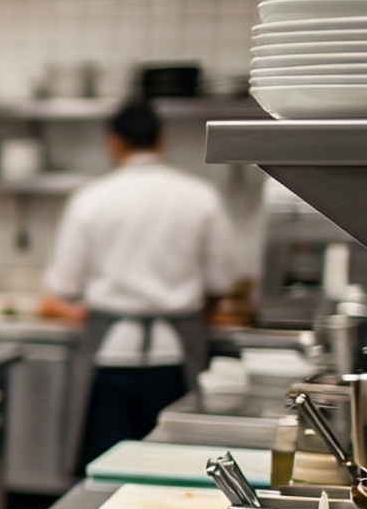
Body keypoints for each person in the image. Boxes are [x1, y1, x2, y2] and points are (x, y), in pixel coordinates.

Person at [39, 100, 243, 471]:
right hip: (176, 357)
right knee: (171, 465)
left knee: (107, 468)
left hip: (110, 354)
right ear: (161, 141)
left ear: (114, 143)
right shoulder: (199, 197)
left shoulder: (91, 199)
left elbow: (64, 285)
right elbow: (222, 281)